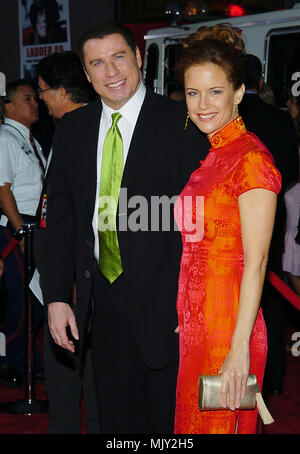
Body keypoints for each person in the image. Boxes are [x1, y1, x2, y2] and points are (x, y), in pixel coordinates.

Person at [39, 22, 209, 433]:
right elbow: (60, 220)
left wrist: (196, 302)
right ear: (86, 73)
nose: (110, 71)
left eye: (118, 57)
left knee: (168, 423)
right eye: (97, 63)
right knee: (116, 420)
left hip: (170, 303)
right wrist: (57, 295)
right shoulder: (74, 129)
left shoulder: (183, 123)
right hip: (103, 301)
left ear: (138, 56)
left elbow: (207, 223)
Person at [173, 24, 281, 434]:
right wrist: (186, 309)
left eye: (215, 91)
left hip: (230, 329)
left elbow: (257, 263)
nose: (202, 104)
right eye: (193, 92)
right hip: (197, 324)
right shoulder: (213, 156)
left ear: (238, 93)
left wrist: (239, 351)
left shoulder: (250, 159)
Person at [32, 51, 99, 434]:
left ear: (60, 91)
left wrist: (68, 279)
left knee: (76, 374)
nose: (41, 100)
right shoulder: (69, 130)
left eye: (43, 92)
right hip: (65, 277)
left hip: (76, 280)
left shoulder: (83, 131)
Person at [239, 54, 299, 395]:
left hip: (232, 222)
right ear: (259, 80)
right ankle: (273, 377)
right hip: (272, 218)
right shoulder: (276, 119)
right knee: (271, 296)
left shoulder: (224, 118)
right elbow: (290, 169)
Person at [0, 79, 46, 387]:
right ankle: (9, 361)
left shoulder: (30, 139)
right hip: (15, 227)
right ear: (8, 106)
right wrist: (20, 232)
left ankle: (26, 360)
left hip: (34, 225)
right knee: (23, 301)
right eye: (27, 98)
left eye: (35, 98)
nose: (35, 103)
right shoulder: (5, 138)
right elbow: (2, 189)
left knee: (38, 300)